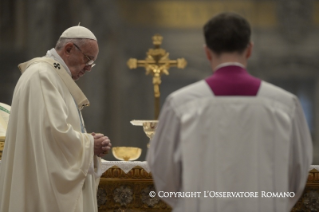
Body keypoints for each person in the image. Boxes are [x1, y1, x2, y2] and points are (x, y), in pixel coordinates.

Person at [147, 12, 313, 212]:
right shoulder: (285, 105)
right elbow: (298, 172)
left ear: (207, 52)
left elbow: (163, 172)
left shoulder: (181, 104)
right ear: (249, 49)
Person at [0, 26, 112, 212]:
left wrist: (87, 141)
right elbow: (52, 134)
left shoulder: (53, 76)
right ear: (68, 49)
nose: (89, 68)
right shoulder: (42, 76)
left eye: (92, 63)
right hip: (40, 190)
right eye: (87, 59)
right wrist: (89, 143)